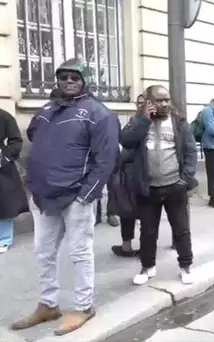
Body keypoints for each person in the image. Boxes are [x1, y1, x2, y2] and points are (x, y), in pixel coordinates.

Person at [12, 59, 119, 335]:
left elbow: (106, 159)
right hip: (43, 194)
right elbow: (35, 136)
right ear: (57, 80)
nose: (69, 81)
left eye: (75, 77)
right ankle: (48, 303)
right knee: (44, 251)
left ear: (85, 80)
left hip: (76, 196)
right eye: (64, 77)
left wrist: (88, 195)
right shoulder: (47, 109)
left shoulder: (98, 113)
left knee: (79, 252)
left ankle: (84, 306)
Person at [119, 85, 198, 286]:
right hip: (148, 188)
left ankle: (185, 266)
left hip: (174, 186)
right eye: (158, 100)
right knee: (148, 231)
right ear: (148, 102)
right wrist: (143, 119)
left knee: (181, 229)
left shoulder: (179, 123)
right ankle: (147, 266)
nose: (164, 104)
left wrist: (185, 179)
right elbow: (126, 141)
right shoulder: (138, 122)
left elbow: (190, 152)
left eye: (166, 100)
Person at [110, 94, 146, 258]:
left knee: (146, 212)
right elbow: (123, 138)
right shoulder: (135, 120)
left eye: (143, 103)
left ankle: (146, 246)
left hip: (142, 173)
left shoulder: (150, 122)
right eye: (137, 103)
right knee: (126, 211)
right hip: (127, 172)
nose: (139, 106)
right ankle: (126, 246)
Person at [0, 107, 28, 254]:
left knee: (3, 204)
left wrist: (4, 158)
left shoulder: (4, 116)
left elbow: (16, 140)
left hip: (1, 168)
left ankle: (3, 239)